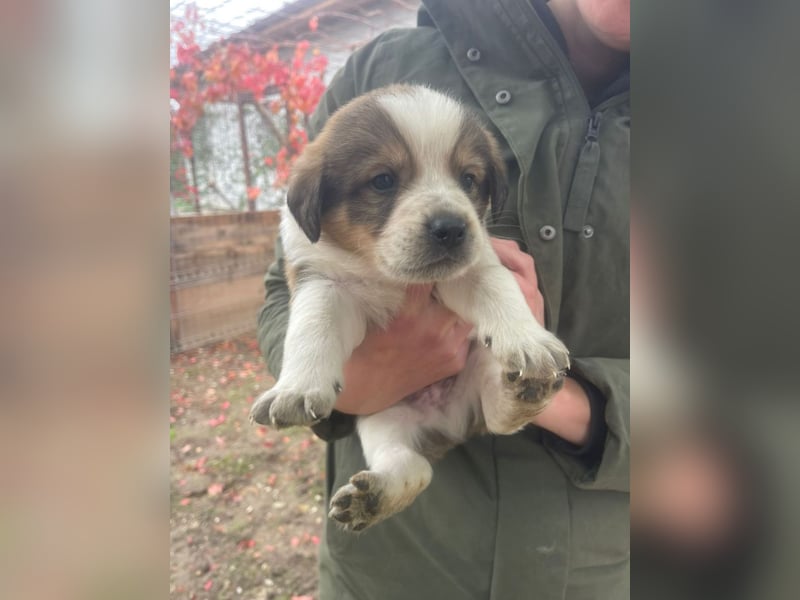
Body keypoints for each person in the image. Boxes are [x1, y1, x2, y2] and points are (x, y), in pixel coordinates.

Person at [257, 0, 629, 598]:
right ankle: (398, 468)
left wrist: (537, 361)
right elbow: (301, 294)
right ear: (314, 205)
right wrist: (328, 378)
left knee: (489, 308)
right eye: (384, 181)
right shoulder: (379, 68)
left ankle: (506, 401)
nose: (449, 216)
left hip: (595, 563)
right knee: (381, 419)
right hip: (394, 570)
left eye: (467, 180)